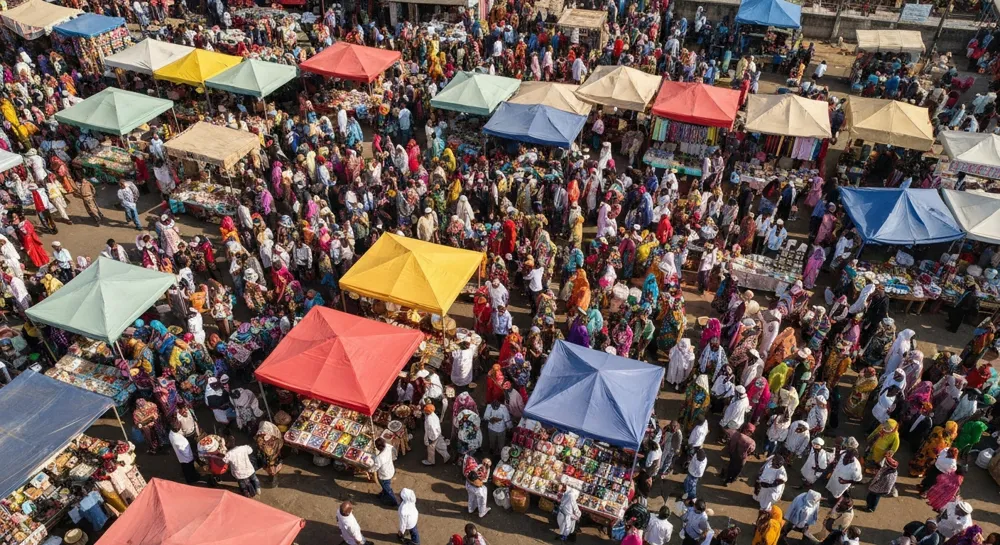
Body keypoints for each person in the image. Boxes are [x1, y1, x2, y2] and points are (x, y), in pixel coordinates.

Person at [168, 422, 215, 486]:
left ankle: (190, 477)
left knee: (185, 468)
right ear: (176, 429)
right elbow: (184, 450)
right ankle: (192, 479)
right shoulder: (178, 440)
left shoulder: (171, 433)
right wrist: (192, 456)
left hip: (182, 457)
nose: (180, 428)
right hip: (186, 458)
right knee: (189, 468)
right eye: (179, 427)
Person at [254, 421, 283, 486]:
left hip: (271, 459)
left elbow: (267, 452)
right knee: (273, 469)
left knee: (272, 470)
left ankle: (273, 480)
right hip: (273, 457)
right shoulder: (275, 437)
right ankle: (273, 477)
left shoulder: (272, 440)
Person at [371, 437, 398, 506]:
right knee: (386, 486)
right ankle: (383, 492)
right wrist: (394, 457)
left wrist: (369, 469)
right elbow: (394, 450)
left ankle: (394, 501)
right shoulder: (388, 447)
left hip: (384, 476)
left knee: (388, 488)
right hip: (391, 470)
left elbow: (375, 468)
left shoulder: (379, 458)